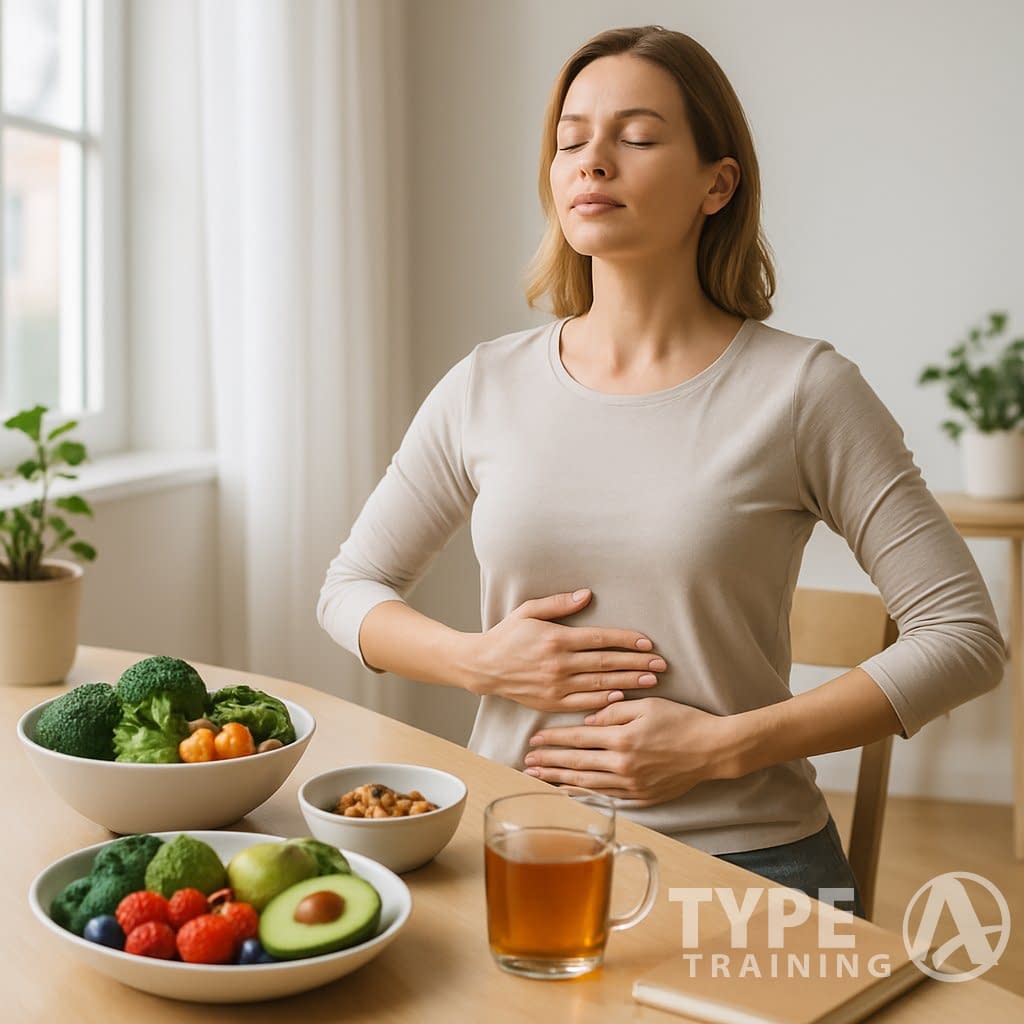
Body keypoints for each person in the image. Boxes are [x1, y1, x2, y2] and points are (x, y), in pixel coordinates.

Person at [317, 25, 1005, 919]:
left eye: (635, 138)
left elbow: (963, 636)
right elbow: (348, 588)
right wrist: (481, 662)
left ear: (717, 183)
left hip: (751, 867)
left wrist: (724, 748)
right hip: (523, 851)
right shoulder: (485, 384)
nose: (591, 161)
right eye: (570, 140)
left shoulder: (803, 389)